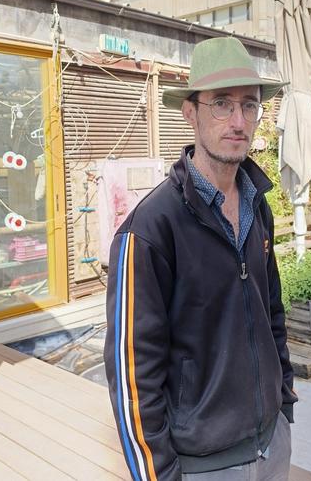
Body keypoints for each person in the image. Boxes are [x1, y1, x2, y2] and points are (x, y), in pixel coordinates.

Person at [104, 37, 296, 481]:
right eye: (222, 104)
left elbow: (272, 312)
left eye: (250, 106)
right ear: (190, 113)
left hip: (272, 445)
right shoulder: (150, 230)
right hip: (201, 467)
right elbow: (133, 374)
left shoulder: (256, 204)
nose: (238, 120)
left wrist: (283, 399)